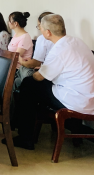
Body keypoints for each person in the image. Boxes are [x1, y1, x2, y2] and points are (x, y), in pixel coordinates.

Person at [11, 14, 94, 150]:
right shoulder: (77, 41)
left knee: (28, 84)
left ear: (48, 32)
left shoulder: (59, 49)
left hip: (75, 99)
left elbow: (39, 77)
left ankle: (26, 138)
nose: (40, 30)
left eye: (40, 28)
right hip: (88, 97)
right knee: (33, 85)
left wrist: (35, 74)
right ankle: (26, 130)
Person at [7, 11, 34, 91]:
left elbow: (16, 56)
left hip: (18, 69)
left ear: (16, 23)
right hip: (11, 66)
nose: (8, 23)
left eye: (9, 21)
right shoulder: (16, 35)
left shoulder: (25, 37)